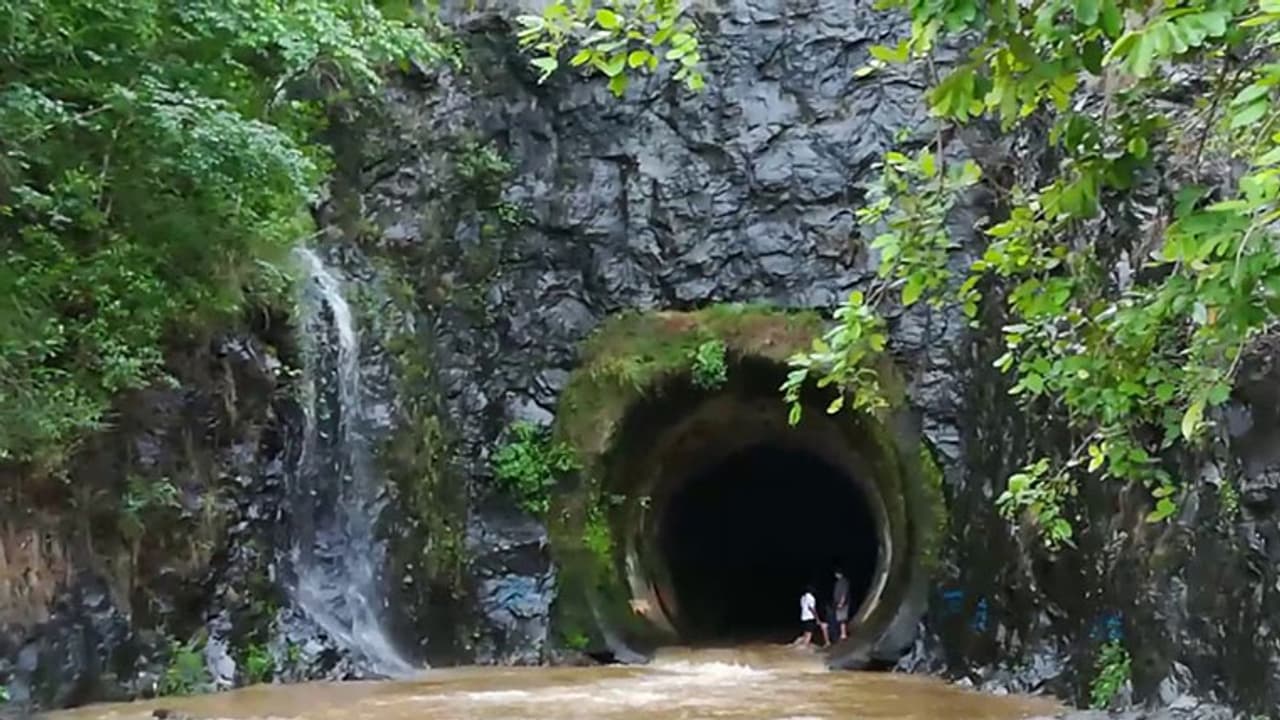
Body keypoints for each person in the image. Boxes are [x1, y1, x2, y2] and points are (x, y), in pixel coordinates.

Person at [832, 569, 851, 641]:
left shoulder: (843, 582)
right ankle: (843, 633)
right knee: (840, 619)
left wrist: (841, 603)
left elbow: (844, 593)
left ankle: (844, 634)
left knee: (842, 619)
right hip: (838, 603)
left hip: (842, 603)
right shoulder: (839, 582)